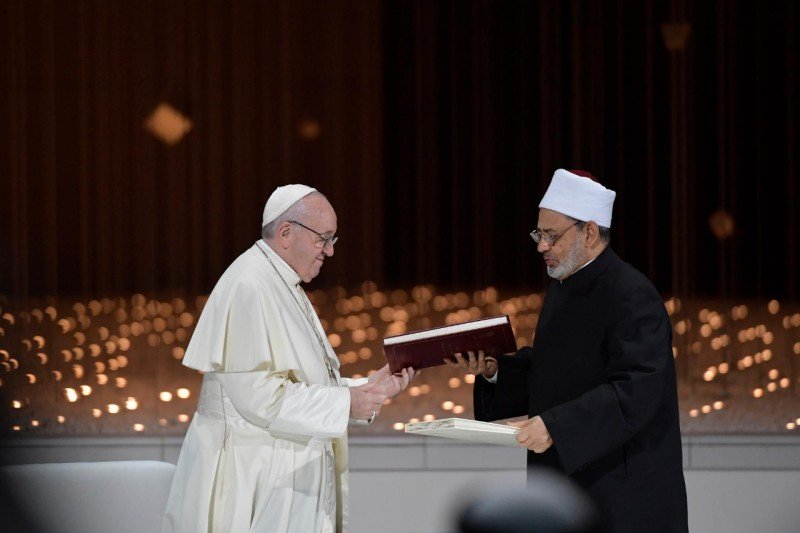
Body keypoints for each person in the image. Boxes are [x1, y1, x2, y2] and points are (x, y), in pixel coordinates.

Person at [445, 169, 688, 533]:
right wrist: (496, 371)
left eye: (551, 236)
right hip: (568, 479)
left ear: (589, 232)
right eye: (538, 234)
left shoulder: (632, 295)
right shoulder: (564, 285)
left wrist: (557, 426)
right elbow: (557, 370)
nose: (541, 245)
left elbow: (635, 392)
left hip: (623, 492)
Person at [162, 184, 415, 533]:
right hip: (252, 478)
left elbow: (303, 383)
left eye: (333, 240)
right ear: (285, 233)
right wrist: (344, 404)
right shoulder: (249, 285)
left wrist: (368, 390)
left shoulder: (280, 281)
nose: (329, 251)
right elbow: (259, 398)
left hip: (281, 475)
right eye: (322, 239)